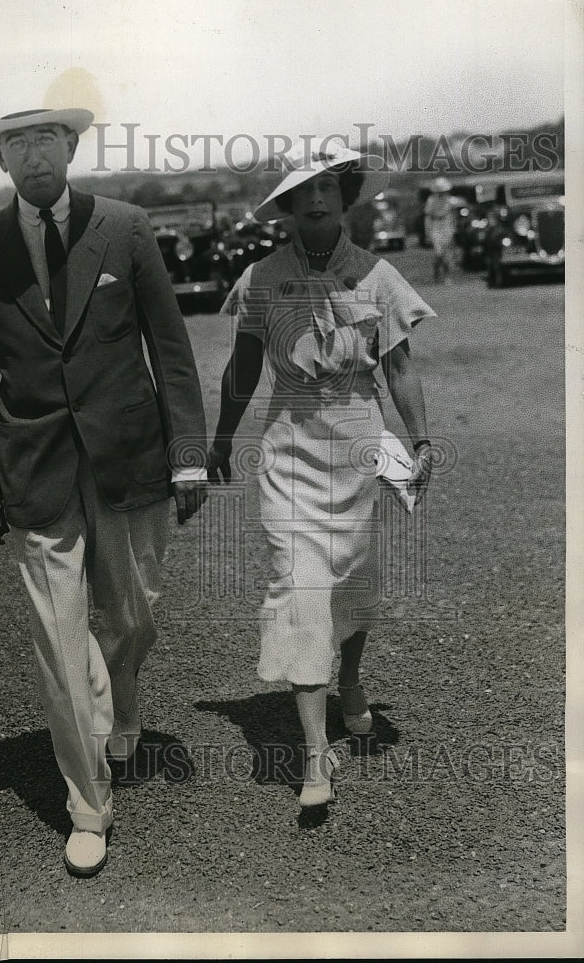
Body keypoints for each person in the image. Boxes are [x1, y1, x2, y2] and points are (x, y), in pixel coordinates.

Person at [0, 71, 207, 876]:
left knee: (132, 619)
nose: (33, 154)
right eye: (16, 142)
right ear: (0, 160)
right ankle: (88, 806)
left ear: (72, 145)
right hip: (35, 474)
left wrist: (189, 453)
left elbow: (169, 347)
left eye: (47, 138)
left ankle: (124, 702)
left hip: (130, 457)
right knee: (61, 645)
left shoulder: (125, 229)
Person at [208, 142, 435, 807]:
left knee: (352, 578)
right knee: (300, 586)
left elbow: (399, 366)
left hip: (358, 444)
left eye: (327, 191)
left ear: (344, 197)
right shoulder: (260, 280)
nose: (314, 201)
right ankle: (314, 759)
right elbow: (243, 368)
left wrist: (419, 439)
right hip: (289, 447)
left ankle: (353, 680)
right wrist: (220, 439)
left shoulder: (379, 276)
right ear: (284, 208)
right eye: (301, 194)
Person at [424, 176, 455, 282]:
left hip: (446, 225)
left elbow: (452, 215)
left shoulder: (449, 200)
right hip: (436, 226)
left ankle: (447, 276)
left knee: (447, 253)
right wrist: (427, 232)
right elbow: (428, 217)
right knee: (438, 253)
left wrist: (453, 228)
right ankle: (436, 270)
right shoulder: (431, 200)